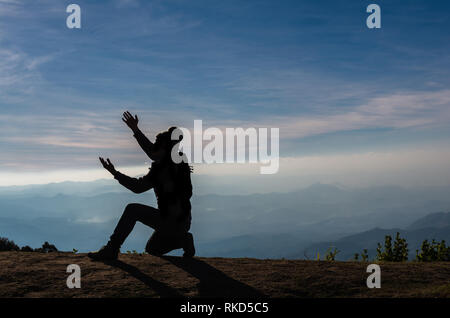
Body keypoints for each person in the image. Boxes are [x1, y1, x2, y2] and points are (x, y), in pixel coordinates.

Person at [88, 111, 195, 261]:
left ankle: (112, 249)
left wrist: (114, 173)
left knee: (132, 210)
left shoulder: (163, 170)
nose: (153, 151)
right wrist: (135, 130)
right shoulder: (178, 162)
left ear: (164, 150)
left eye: (157, 147)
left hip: (171, 221)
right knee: (152, 249)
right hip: (183, 221)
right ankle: (183, 239)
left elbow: (137, 188)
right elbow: (151, 150)